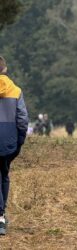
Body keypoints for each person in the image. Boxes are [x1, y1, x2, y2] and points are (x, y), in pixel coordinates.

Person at [0, 56, 29, 235]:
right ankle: (1, 214)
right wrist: (19, 141)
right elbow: (22, 120)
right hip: (9, 142)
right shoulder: (16, 90)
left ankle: (0, 215)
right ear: (5, 69)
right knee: (4, 174)